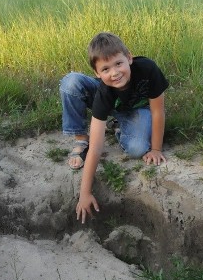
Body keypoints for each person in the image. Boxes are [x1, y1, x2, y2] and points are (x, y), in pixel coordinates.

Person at [59, 32, 169, 223]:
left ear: (129, 57)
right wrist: (85, 193)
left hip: (138, 109)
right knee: (70, 83)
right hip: (112, 103)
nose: (115, 73)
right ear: (97, 73)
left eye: (119, 64)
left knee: (137, 148)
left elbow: (158, 111)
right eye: (106, 69)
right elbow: (96, 148)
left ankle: (119, 127)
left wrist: (157, 148)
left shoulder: (147, 68)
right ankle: (80, 138)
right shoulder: (103, 92)